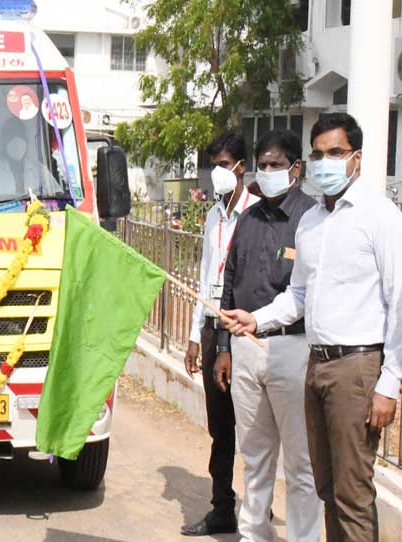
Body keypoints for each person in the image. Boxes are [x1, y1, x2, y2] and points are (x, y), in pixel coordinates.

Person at [222, 113, 402, 542]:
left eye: (335, 153)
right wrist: (256, 319)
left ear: (357, 159)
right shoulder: (312, 223)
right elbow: (299, 296)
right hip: (317, 363)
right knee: (326, 484)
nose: (325, 162)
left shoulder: (380, 218)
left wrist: (389, 383)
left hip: (357, 366)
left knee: (351, 492)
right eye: (318, 154)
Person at [214, 129, 321, 542]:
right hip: (245, 350)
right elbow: (230, 280)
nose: (269, 171)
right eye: (264, 164)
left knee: (300, 463)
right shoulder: (249, 218)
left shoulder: (310, 219)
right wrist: (224, 346)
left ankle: (302, 538)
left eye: (277, 164)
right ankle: (253, 534)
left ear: (295, 168)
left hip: (293, 349)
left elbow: (304, 294)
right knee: (255, 455)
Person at [181, 131, 259, 537]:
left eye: (225, 164)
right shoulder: (214, 215)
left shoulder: (258, 214)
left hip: (245, 331)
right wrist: (196, 335)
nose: (218, 173)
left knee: (254, 428)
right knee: (220, 426)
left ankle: (256, 514)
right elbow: (205, 275)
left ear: (242, 167)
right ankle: (222, 506)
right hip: (213, 330)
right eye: (214, 165)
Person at [0, 117, 61, 197]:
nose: (16, 142)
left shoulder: (39, 170)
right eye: (11, 136)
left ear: (25, 139)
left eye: (19, 135)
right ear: (4, 142)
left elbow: (58, 196)